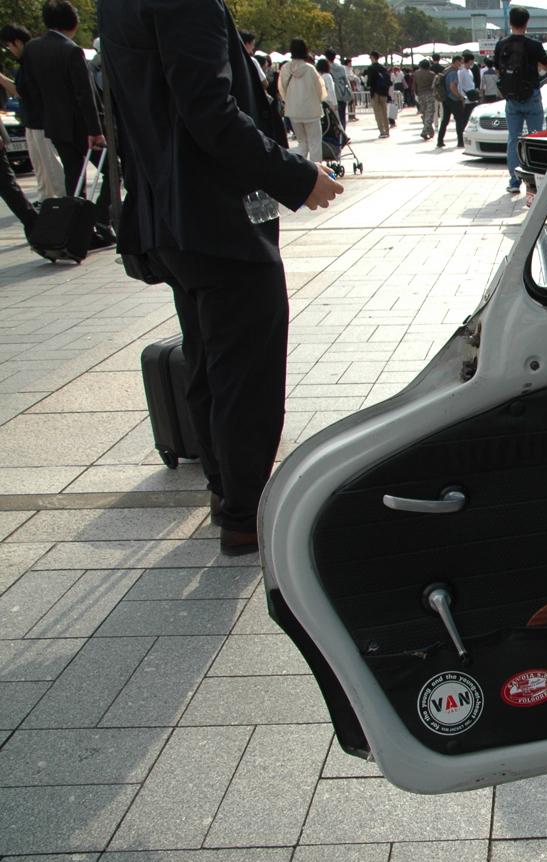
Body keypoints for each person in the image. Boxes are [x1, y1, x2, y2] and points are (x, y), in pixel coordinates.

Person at [99, 0, 343, 554]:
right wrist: (295, 175)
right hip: (218, 220)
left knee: (209, 361)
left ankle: (226, 492)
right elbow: (210, 111)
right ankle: (244, 512)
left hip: (171, 217)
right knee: (245, 375)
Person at [20, 0, 113, 246]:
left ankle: (79, 231)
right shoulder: (71, 50)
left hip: (55, 126)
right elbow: (84, 94)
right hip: (83, 127)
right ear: (73, 21)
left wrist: (44, 117)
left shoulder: (32, 49)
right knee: (114, 171)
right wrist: (95, 130)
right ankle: (100, 220)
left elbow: (28, 88)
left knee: (74, 177)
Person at [0, 23, 63, 201]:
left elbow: (19, 91)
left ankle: (63, 201)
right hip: (31, 122)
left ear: (18, 42)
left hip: (41, 122)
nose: (9, 50)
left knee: (51, 166)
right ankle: (46, 200)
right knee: (40, 167)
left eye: (9, 45)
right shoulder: (26, 62)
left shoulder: (32, 61)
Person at [496, 5, 547, 193]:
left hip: (511, 98)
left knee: (513, 139)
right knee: (536, 138)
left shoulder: (501, 44)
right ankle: (535, 182)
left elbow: (498, 70)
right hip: (531, 95)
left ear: (510, 22)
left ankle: (514, 182)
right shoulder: (534, 45)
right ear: (527, 23)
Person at [279, 39, 327, 163]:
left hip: (293, 111)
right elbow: (321, 90)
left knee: (302, 143)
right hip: (312, 111)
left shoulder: (285, 68)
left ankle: (299, 167)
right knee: (315, 143)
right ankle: (317, 169)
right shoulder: (310, 69)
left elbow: (282, 89)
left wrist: (289, 101)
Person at [437, 54, 466, 148]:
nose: (462, 64)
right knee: (459, 120)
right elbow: (452, 86)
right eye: (461, 62)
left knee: (445, 120)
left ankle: (440, 140)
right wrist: (459, 96)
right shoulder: (453, 72)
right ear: (456, 61)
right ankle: (461, 141)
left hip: (445, 98)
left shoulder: (446, 70)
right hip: (453, 99)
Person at [365, 51, 391, 137]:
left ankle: (382, 131)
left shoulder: (370, 68)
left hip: (375, 93)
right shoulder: (383, 68)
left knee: (378, 113)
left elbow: (369, 82)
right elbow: (388, 81)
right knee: (384, 113)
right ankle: (387, 130)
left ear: (373, 57)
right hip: (384, 93)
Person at [324, 49, 350, 130]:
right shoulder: (341, 68)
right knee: (342, 116)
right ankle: (343, 132)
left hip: (331, 97)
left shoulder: (326, 68)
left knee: (333, 118)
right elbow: (346, 81)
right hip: (342, 93)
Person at [413, 58, 437, 140]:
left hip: (420, 95)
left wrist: (416, 94)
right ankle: (425, 131)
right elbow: (434, 86)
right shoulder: (432, 74)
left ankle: (429, 130)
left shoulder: (416, 73)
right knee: (430, 114)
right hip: (430, 95)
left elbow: (414, 85)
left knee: (424, 113)